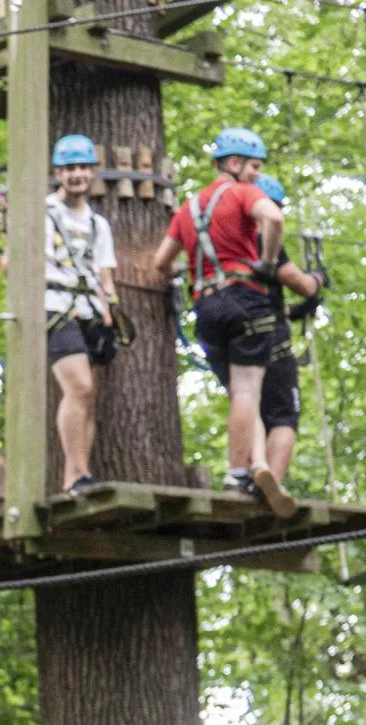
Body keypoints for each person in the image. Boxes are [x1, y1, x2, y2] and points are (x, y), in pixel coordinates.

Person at [152, 127, 288, 511]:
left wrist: (192, 267)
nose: (257, 175)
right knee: (247, 391)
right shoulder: (245, 194)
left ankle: (256, 462)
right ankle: (238, 472)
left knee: (238, 391)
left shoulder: (188, 208)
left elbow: (161, 262)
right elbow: (274, 219)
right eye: (254, 167)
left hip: (207, 308)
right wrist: (267, 263)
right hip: (245, 299)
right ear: (233, 162)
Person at [34, 135, 124, 493]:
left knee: (88, 398)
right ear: (58, 173)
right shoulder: (42, 213)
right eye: (70, 168)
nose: (77, 175)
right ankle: (74, 476)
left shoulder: (98, 224)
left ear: (93, 172)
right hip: (56, 307)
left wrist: (110, 309)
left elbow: (105, 273)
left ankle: (81, 475)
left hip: (90, 311)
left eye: (84, 168)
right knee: (79, 387)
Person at [242, 173, 325, 488]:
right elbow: (301, 284)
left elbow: (259, 295)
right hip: (272, 340)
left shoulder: (228, 245)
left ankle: (250, 474)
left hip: (239, 337)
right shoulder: (266, 241)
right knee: (283, 415)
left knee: (248, 403)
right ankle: (270, 485)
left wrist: (294, 312)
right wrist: (316, 279)